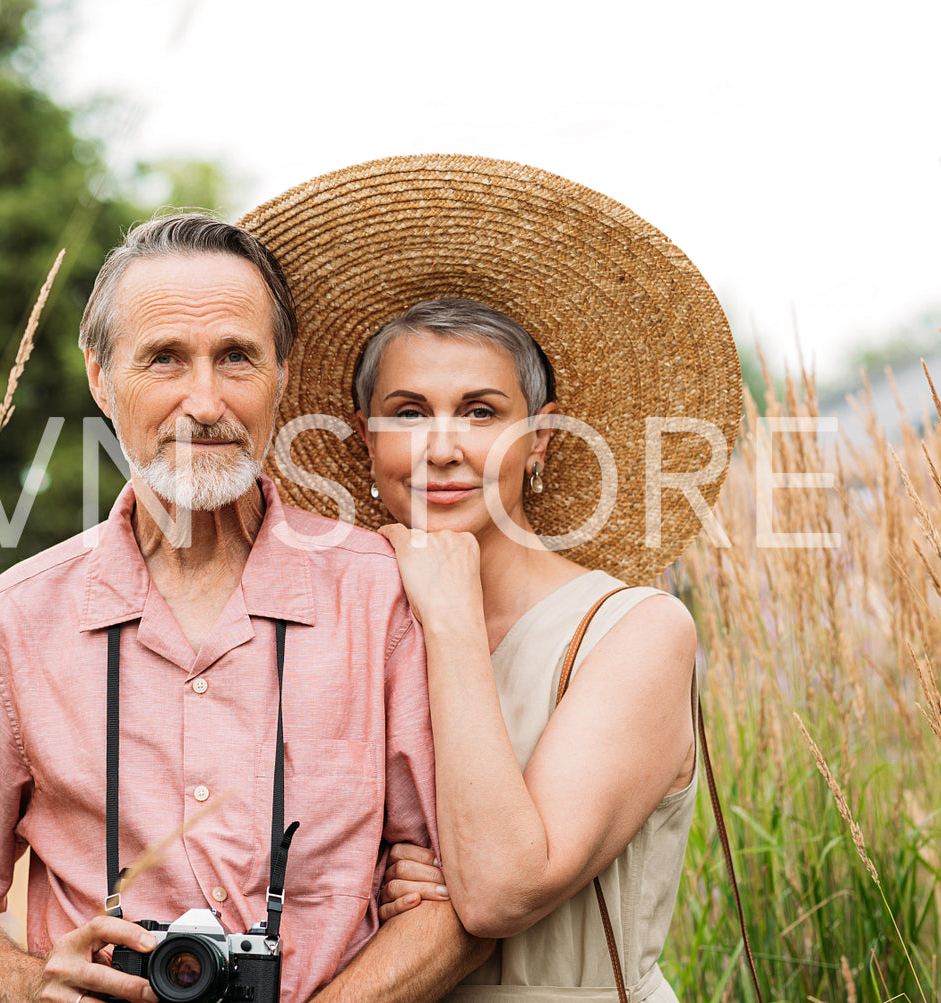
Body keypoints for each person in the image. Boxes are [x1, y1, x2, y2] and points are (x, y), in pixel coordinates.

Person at [0, 212, 492, 1003]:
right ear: (102, 378)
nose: (203, 401)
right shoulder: (5, 625)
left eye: (235, 357)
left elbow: (467, 894)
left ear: (281, 373)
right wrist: (28, 990)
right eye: (164, 358)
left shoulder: (382, 595)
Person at [241, 156, 743, 1002]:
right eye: (408, 413)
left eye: (481, 411)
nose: (443, 448)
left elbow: (504, 888)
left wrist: (450, 615)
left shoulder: (634, 633)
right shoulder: (337, 625)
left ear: (539, 438)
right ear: (365, 441)